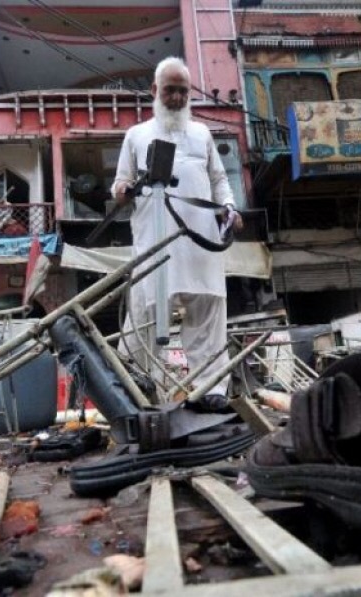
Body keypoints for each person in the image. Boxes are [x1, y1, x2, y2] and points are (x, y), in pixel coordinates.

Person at [112, 56, 243, 410]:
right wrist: (123, 192)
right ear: (155, 91)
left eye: (183, 91)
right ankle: (139, 398)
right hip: (156, 244)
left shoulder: (201, 134)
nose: (176, 98)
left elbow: (219, 180)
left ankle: (211, 394)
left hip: (202, 243)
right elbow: (120, 184)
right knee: (145, 319)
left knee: (209, 317)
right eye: (170, 90)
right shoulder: (136, 135)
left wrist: (230, 209)